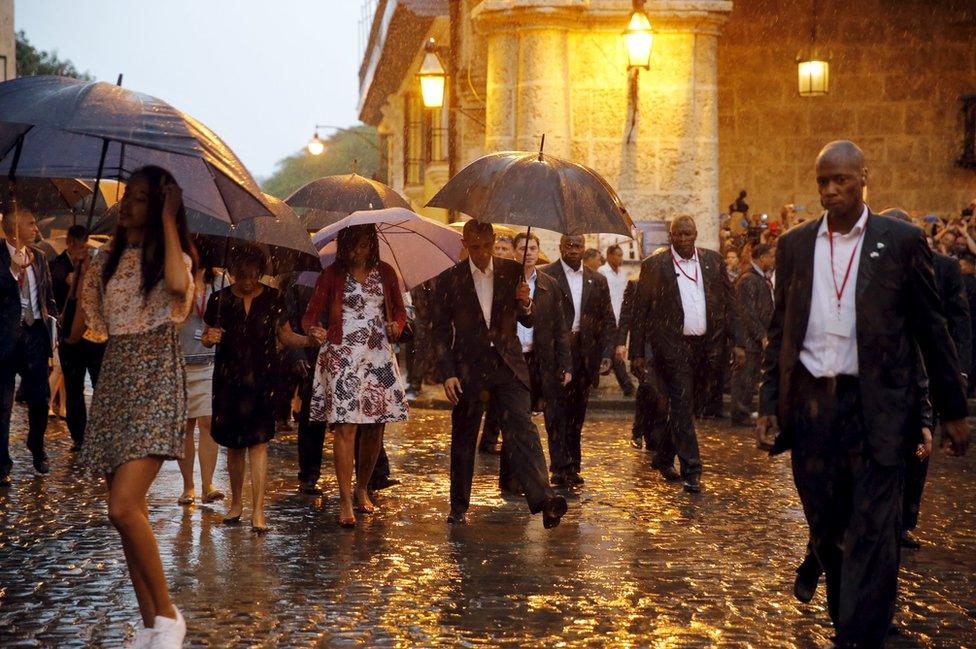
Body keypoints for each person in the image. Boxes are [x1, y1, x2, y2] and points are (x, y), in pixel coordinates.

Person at [756, 141, 970, 648]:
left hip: (876, 412)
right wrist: (769, 403)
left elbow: (930, 330)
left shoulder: (899, 241)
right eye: (822, 182)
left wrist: (952, 410)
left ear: (863, 178)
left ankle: (857, 638)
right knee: (828, 532)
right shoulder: (795, 245)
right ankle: (846, 618)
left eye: (841, 181)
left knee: (874, 537)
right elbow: (780, 329)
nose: (830, 191)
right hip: (812, 413)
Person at [77, 165, 195, 646]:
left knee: (123, 508)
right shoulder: (105, 258)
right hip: (116, 378)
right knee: (129, 517)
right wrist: (87, 270)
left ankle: (169, 615)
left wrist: (167, 222)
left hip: (154, 376)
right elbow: (96, 319)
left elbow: (174, 288)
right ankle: (152, 628)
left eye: (142, 199)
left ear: (163, 204)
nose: (128, 205)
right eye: (128, 196)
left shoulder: (174, 254)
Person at [432, 219, 566, 527]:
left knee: (523, 429)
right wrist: (447, 372)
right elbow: (439, 332)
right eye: (475, 247)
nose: (481, 253)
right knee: (465, 435)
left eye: (487, 246)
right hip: (469, 368)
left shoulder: (510, 273)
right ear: (465, 245)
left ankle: (544, 500)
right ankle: (459, 505)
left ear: (494, 241)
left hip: (508, 364)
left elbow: (527, 322)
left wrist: (526, 304)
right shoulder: (450, 279)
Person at [302, 224, 409, 527]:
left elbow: (400, 312)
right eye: (352, 246)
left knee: (375, 427)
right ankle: (345, 498)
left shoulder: (387, 272)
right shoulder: (331, 275)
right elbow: (311, 314)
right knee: (345, 427)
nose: (357, 252)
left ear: (372, 245)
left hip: (377, 355)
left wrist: (397, 326)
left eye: (363, 246)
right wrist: (314, 329)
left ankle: (363, 487)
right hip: (341, 354)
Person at [630, 216, 744, 493]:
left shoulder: (713, 262)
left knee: (690, 406)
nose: (682, 239)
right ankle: (692, 469)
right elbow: (640, 311)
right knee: (681, 403)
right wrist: (637, 352)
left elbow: (730, 304)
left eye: (687, 234)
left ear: (696, 234)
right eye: (677, 235)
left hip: (706, 347)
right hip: (672, 347)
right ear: (671, 236)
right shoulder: (655, 266)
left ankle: (663, 456)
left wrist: (738, 342)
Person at [880, 208, 972, 548]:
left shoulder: (944, 268)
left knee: (920, 448)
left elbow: (956, 323)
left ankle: (905, 520)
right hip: (891, 371)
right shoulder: (877, 264)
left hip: (932, 371)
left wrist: (957, 372)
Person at [202, 245, 283, 534]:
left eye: (253, 276)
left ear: (260, 273)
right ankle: (236, 504)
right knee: (234, 447)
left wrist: (310, 340)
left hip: (263, 379)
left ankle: (258, 510)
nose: (248, 282)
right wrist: (209, 339)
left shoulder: (273, 298)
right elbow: (207, 336)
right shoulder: (219, 300)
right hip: (228, 380)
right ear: (232, 273)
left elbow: (284, 335)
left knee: (259, 444)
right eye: (242, 276)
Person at [495, 231, 572, 493]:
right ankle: (511, 476)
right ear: (515, 251)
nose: (528, 252)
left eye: (533, 248)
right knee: (515, 417)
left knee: (548, 415)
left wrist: (565, 363)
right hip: (513, 359)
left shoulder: (550, 284)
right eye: (523, 247)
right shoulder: (504, 281)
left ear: (538, 252)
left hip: (541, 359)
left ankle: (560, 468)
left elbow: (561, 327)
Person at [540, 234, 616, 486]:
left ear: (585, 248)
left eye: (578, 246)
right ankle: (559, 465)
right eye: (569, 245)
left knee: (577, 412)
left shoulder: (597, 280)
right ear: (560, 246)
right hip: (556, 352)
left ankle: (573, 464)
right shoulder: (546, 276)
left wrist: (606, 353)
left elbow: (608, 320)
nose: (573, 250)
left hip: (585, 354)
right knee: (555, 410)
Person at [1, 207, 58, 485]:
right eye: (31, 224)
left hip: (34, 334)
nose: (36, 229)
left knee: (40, 398)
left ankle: (37, 445)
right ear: (14, 228)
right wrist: (11, 271)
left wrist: (54, 325)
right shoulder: (0, 255)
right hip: (5, 338)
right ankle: (2, 462)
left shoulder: (40, 257)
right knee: (3, 403)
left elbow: (47, 295)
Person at [55, 226, 107, 452]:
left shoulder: (96, 264)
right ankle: (79, 436)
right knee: (74, 388)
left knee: (99, 385)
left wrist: (86, 274)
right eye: (76, 243)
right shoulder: (58, 266)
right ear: (69, 242)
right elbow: (56, 300)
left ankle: (99, 433)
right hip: (70, 334)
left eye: (83, 243)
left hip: (95, 336)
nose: (80, 247)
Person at [175, 263, 222, 507]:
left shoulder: (219, 282)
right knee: (185, 426)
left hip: (208, 361)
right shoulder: (176, 276)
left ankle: (207, 484)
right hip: (180, 360)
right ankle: (188, 486)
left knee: (207, 421)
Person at [729, 242, 776, 426]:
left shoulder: (760, 278)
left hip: (754, 340)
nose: (773, 260)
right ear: (762, 257)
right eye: (771, 256)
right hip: (747, 340)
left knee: (751, 377)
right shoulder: (748, 279)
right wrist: (761, 335)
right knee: (744, 378)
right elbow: (747, 312)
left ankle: (744, 411)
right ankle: (740, 414)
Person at [598, 244, 635, 397]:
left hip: (621, 318)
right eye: (617, 255)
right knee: (615, 352)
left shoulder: (622, 273)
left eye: (621, 255)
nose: (620, 258)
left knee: (616, 352)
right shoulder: (602, 272)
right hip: (608, 318)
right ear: (609, 255)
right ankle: (627, 386)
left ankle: (626, 385)